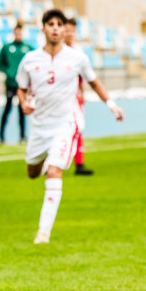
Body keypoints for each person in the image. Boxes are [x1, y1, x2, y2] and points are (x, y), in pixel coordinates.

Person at [16, 9, 124, 244]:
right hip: (38, 126)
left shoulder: (77, 58)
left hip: (64, 124)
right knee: (33, 173)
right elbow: (21, 88)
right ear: (43, 28)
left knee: (55, 171)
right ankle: (45, 162)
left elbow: (94, 83)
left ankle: (43, 233)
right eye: (50, 24)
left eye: (59, 24)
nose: (55, 28)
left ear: (65, 29)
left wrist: (112, 105)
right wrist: (24, 102)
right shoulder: (30, 60)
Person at [63, 16, 94, 176]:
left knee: (78, 127)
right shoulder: (57, 50)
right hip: (59, 96)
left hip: (74, 95)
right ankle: (51, 162)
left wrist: (83, 92)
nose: (69, 33)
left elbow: (81, 75)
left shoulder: (78, 51)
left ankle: (79, 163)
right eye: (67, 30)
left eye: (72, 30)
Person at [0, 22, 32, 145]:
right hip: (11, 83)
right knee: (7, 109)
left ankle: (22, 136)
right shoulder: (7, 48)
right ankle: (1, 137)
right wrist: (9, 72)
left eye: (20, 32)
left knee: (22, 109)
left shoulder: (28, 48)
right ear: (14, 32)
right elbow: (0, 64)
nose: (18, 34)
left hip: (22, 85)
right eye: (16, 32)